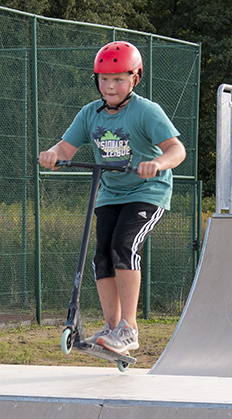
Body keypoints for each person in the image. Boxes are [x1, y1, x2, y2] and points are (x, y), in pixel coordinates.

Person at [38, 41, 186, 354]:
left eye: (119, 79)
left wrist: (157, 163)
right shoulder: (90, 114)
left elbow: (177, 150)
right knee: (102, 256)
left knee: (124, 245)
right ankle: (112, 328)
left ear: (135, 78)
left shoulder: (146, 111)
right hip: (110, 193)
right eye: (104, 79)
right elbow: (65, 148)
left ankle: (129, 330)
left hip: (148, 191)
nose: (110, 86)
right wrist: (52, 155)